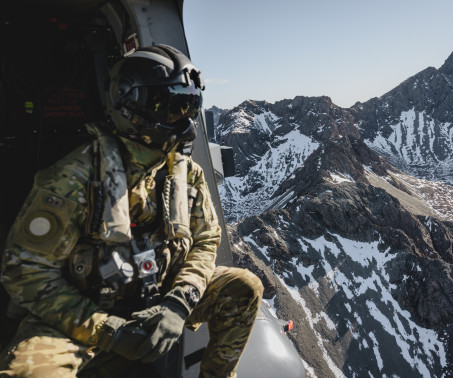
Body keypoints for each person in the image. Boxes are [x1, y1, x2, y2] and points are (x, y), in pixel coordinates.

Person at [0, 44, 263, 378]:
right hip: (86, 312)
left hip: (164, 293)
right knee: (28, 372)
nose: (185, 122)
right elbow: (24, 273)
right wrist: (108, 330)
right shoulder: (73, 178)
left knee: (243, 286)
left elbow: (207, 239)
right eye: (173, 108)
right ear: (134, 108)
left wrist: (180, 301)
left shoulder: (185, 173)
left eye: (189, 107)